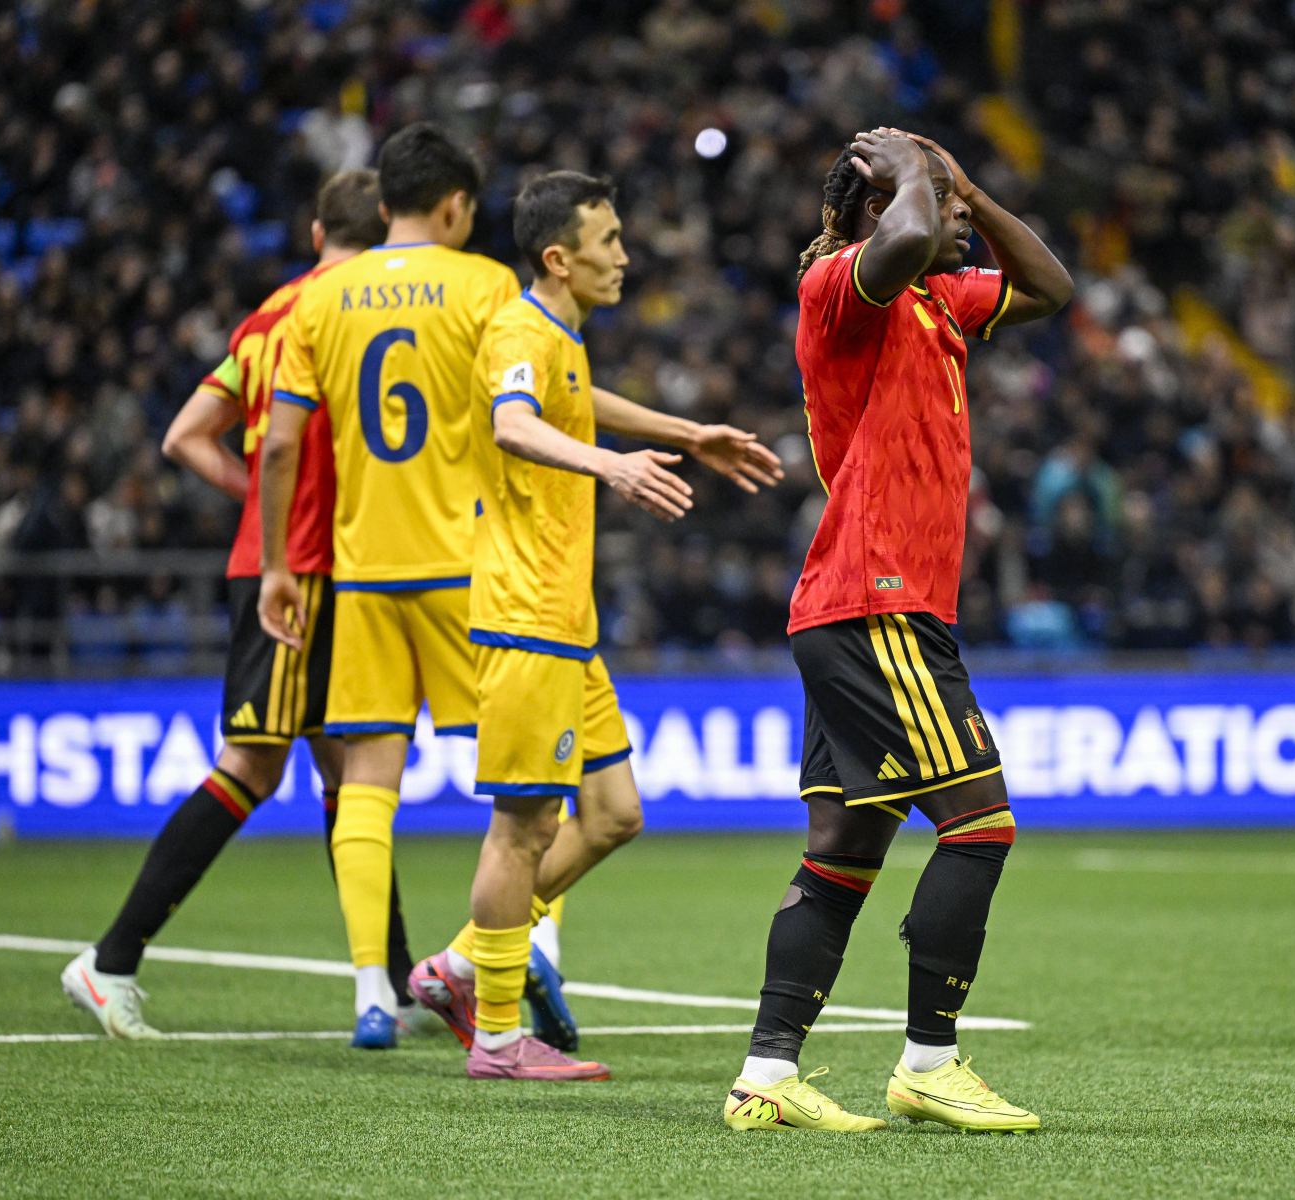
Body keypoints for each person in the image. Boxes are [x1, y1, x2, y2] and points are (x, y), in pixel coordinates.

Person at [723, 128, 1071, 1133]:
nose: (959, 221)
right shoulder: (839, 285)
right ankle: (930, 1060)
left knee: (842, 851)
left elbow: (1051, 289)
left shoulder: (938, 298)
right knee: (981, 824)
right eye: (944, 204)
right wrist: (916, 174)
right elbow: (909, 233)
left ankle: (766, 1076)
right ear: (879, 207)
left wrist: (969, 186)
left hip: (864, 605)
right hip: (877, 601)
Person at [405, 170, 784, 1079]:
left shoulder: (560, 338)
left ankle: (460, 965)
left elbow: (578, 400)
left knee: (613, 814)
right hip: (524, 615)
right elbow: (514, 424)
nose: (624, 256)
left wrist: (688, 434)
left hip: (566, 620)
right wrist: (612, 468)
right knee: (523, 828)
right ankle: (499, 1037)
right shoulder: (517, 330)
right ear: (558, 258)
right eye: (608, 241)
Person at [60, 171, 425, 1039]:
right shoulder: (349, 309)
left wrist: (262, 509)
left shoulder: (264, 319)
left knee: (348, 771)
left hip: (286, 558)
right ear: (384, 228)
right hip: (300, 569)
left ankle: (399, 983)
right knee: (255, 765)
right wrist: (282, 521)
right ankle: (110, 960)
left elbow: (185, 435)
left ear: (315, 233)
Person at [257, 124, 519, 1049]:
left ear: (381, 204)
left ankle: (374, 992)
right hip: (465, 565)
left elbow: (280, 444)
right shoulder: (486, 285)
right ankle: (510, 962)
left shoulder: (320, 296)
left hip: (363, 571)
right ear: (455, 206)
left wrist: (279, 565)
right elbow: (522, 415)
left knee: (368, 777)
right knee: (527, 780)